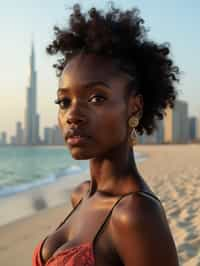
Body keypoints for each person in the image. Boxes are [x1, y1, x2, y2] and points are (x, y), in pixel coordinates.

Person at [32, 3, 179, 266]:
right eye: (64, 102)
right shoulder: (81, 194)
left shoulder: (135, 214)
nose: (72, 115)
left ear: (134, 106)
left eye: (96, 97)